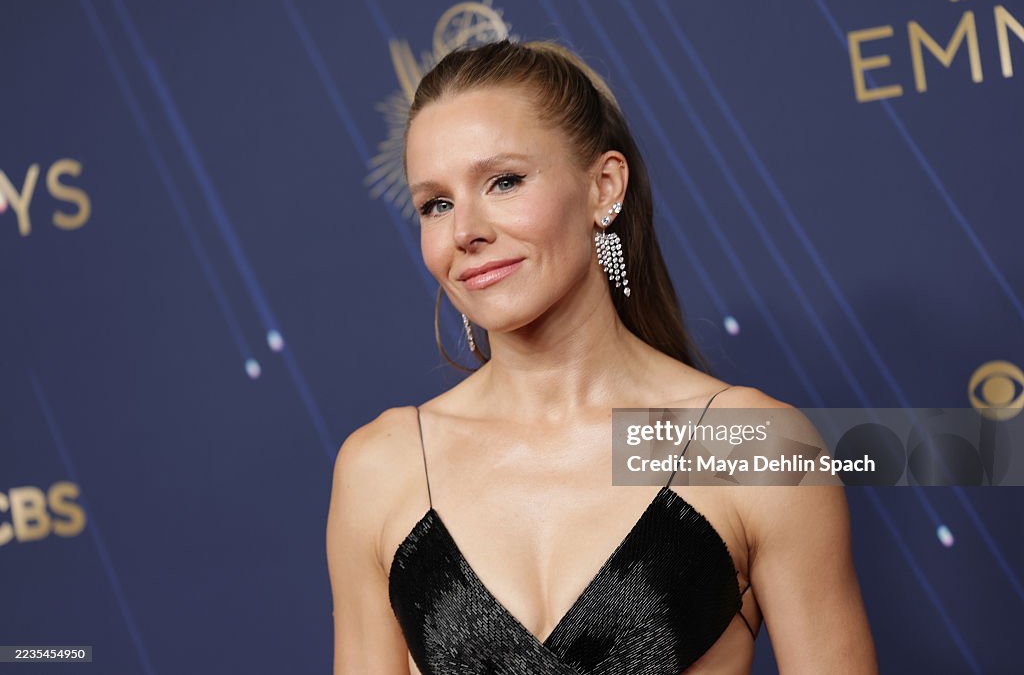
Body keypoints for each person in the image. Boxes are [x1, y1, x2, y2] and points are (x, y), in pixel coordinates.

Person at [327, 38, 877, 674]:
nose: (465, 231)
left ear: (603, 187)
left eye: (504, 181)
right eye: (436, 204)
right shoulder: (382, 468)